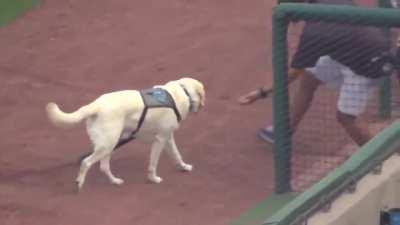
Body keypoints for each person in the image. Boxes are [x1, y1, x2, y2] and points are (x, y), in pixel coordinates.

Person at [238, 0, 400, 146]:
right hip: (348, 51)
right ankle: (285, 132)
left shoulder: (313, 33)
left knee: (346, 118)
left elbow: (292, 74)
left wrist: (261, 92)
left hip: (369, 66)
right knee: (309, 78)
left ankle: (376, 160)